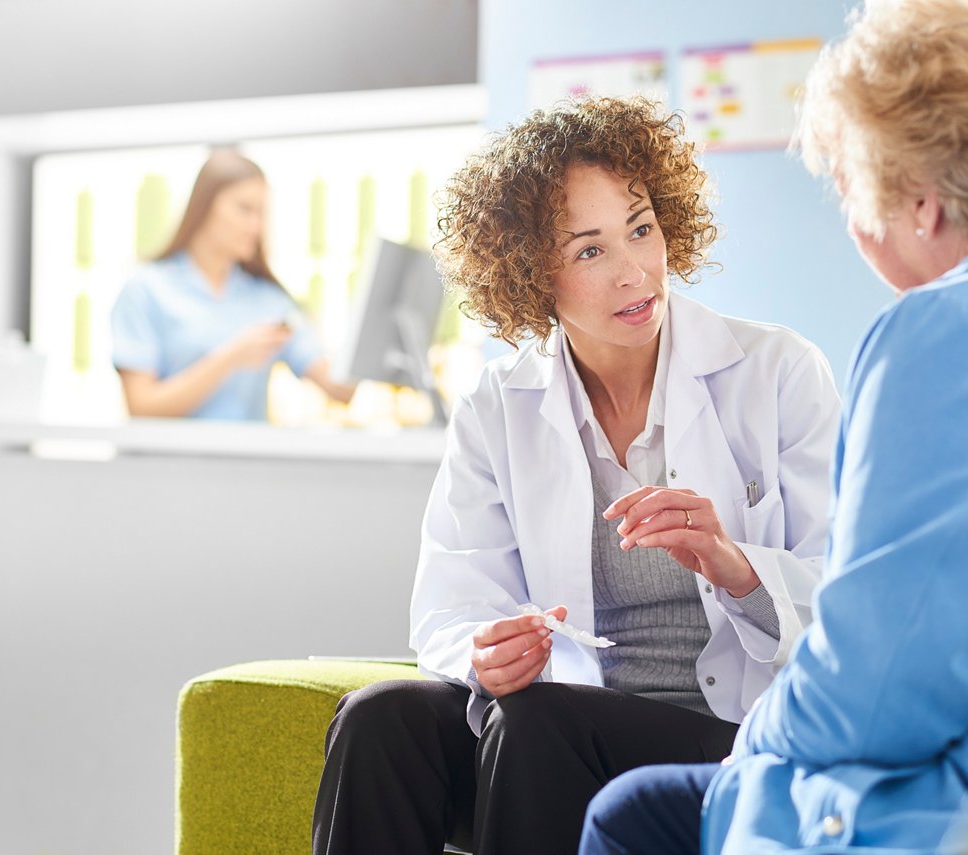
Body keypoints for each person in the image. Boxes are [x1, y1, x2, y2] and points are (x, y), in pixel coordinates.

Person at [578, 1, 968, 853]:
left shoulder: (951, 336)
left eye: (849, 187)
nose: (850, 219)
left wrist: (755, 742)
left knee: (630, 815)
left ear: (920, 203)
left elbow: (878, 695)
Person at [310, 96, 841, 855]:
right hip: (544, 739)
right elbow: (452, 606)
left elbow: (843, 600)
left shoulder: (779, 373)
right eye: (590, 250)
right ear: (530, 273)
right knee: (379, 717)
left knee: (538, 720)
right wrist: (483, 654)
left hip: (724, 740)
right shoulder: (498, 405)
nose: (635, 272)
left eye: (642, 228)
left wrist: (737, 566)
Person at [110, 148, 354, 420]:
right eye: (244, 209)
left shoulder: (268, 300)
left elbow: (340, 389)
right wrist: (230, 358)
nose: (256, 226)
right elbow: (141, 408)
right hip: (169, 462)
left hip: (246, 461)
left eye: (262, 214)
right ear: (205, 206)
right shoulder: (147, 290)